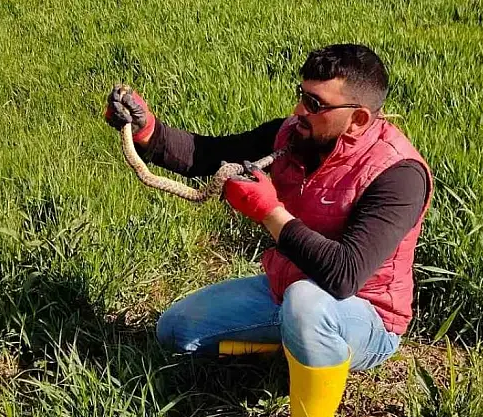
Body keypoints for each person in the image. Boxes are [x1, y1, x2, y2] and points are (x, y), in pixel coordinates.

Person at [105, 43, 432, 417]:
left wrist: (269, 211)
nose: (299, 110)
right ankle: (295, 345)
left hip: (365, 317)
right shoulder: (294, 135)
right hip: (288, 290)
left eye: (315, 104)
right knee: (176, 330)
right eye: (301, 95)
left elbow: (345, 276)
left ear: (357, 119)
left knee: (307, 304)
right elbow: (210, 154)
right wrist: (149, 131)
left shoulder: (399, 175)